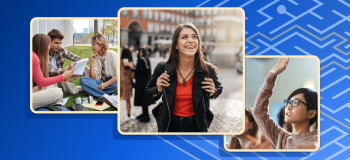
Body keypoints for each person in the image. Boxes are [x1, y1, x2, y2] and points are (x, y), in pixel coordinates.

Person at [145, 22, 223, 132]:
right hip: (169, 125)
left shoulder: (207, 70)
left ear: (198, 42)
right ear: (176, 45)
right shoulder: (162, 68)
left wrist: (213, 92)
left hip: (197, 125)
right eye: (184, 37)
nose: (191, 40)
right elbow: (149, 92)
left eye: (194, 37)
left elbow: (218, 88)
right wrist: (158, 89)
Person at [252, 58, 318, 149]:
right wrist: (272, 75)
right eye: (288, 102)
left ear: (311, 113)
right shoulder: (280, 137)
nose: (288, 107)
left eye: (295, 102)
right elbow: (258, 112)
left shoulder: (319, 139)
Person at [32, 34, 74, 110]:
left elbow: (40, 81)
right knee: (58, 93)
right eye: (49, 45)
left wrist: (62, 78)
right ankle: (56, 108)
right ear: (44, 46)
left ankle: (55, 107)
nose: (49, 48)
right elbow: (41, 82)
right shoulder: (33, 57)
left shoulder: (34, 55)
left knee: (53, 85)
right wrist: (62, 77)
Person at [79, 34, 118, 109]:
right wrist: (92, 62)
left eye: (93, 44)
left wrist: (104, 85)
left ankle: (103, 95)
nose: (91, 46)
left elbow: (118, 76)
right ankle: (108, 96)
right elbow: (92, 77)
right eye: (91, 44)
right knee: (83, 80)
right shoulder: (96, 58)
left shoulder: (113, 55)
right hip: (102, 82)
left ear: (101, 44)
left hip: (113, 83)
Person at [47, 29, 89, 95]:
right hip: (53, 79)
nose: (59, 46)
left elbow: (74, 57)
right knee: (66, 85)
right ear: (49, 42)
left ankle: (96, 84)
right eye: (56, 43)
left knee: (84, 67)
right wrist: (65, 70)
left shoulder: (61, 50)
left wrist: (83, 61)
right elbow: (48, 71)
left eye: (60, 43)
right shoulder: (44, 53)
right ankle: (80, 89)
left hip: (64, 74)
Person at [133, 48, 155, 122]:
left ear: (141, 52)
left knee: (143, 100)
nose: (136, 52)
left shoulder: (141, 59)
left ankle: (146, 117)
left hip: (142, 83)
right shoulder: (146, 58)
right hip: (146, 82)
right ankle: (144, 114)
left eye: (138, 51)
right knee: (144, 100)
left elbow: (138, 71)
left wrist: (131, 67)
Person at [120, 47, 134, 120]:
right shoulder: (131, 63)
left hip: (119, 82)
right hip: (127, 84)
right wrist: (132, 67)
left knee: (116, 99)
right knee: (128, 100)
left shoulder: (119, 61)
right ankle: (128, 116)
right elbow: (133, 77)